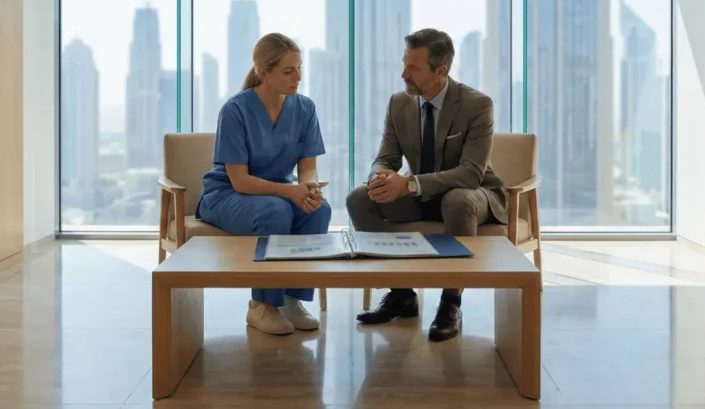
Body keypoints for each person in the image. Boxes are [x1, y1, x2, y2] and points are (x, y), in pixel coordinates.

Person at [345, 28, 507, 342]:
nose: (404, 73)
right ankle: (401, 294)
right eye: (404, 63)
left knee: (457, 200)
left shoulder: (477, 104)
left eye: (414, 67)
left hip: (474, 195)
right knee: (359, 198)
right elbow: (386, 157)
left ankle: (450, 302)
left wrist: (408, 185)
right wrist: (381, 178)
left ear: (440, 71)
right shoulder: (399, 103)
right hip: (421, 194)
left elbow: (471, 173)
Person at [196, 32, 332, 336]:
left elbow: (308, 168)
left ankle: (292, 299)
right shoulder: (235, 110)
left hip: (276, 195)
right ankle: (262, 305)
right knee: (276, 212)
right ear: (263, 72)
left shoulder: (305, 108)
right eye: (288, 71)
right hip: (227, 195)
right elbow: (240, 181)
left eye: (299, 69)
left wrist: (309, 189)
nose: (298, 78)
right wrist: (291, 192)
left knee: (319, 210)